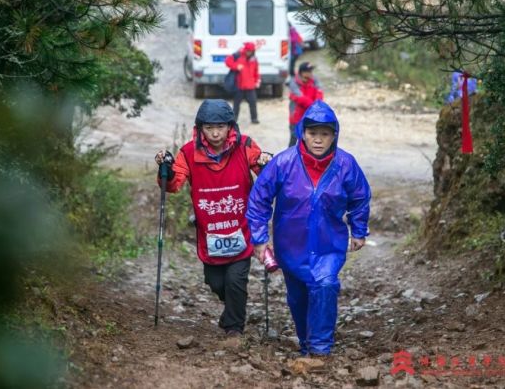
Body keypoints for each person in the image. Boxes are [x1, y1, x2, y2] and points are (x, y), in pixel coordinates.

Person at [246, 100, 371, 356]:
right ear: (302, 132)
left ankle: (320, 348)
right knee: (298, 297)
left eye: (324, 134)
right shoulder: (282, 163)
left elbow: (360, 198)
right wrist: (259, 238)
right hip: (290, 245)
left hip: (329, 244)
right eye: (313, 133)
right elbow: (259, 199)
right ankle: (306, 342)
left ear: (334, 135)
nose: (318, 139)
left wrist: (358, 230)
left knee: (325, 286)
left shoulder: (346, 165)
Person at [154, 99, 271, 338]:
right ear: (200, 129)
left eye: (221, 127)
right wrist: (164, 169)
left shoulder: (245, 145)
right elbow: (174, 184)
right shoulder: (188, 152)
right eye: (209, 128)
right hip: (210, 233)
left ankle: (234, 329)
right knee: (216, 282)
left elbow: (265, 174)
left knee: (236, 280)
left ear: (231, 126)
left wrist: (265, 161)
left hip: (241, 229)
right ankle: (233, 308)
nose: (216, 133)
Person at [288, 62, 323, 147]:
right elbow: (302, 99)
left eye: (311, 71)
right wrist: (314, 105)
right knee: (294, 138)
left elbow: (320, 94)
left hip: (310, 116)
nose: (311, 73)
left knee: (308, 141)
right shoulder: (293, 82)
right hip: (296, 116)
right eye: (308, 71)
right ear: (302, 72)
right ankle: (289, 158)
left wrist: (316, 103)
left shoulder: (314, 80)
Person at [225, 42, 261, 124]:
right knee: (236, 104)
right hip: (239, 86)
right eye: (248, 51)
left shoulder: (254, 59)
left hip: (250, 86)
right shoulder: (237, 55)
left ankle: (254, 119)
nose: (249, 53)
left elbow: (256, 71)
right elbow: (227, 61)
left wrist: (257, 81)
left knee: (253, 103)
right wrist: (236, 66)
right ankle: (234, 120)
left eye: (251, 51)